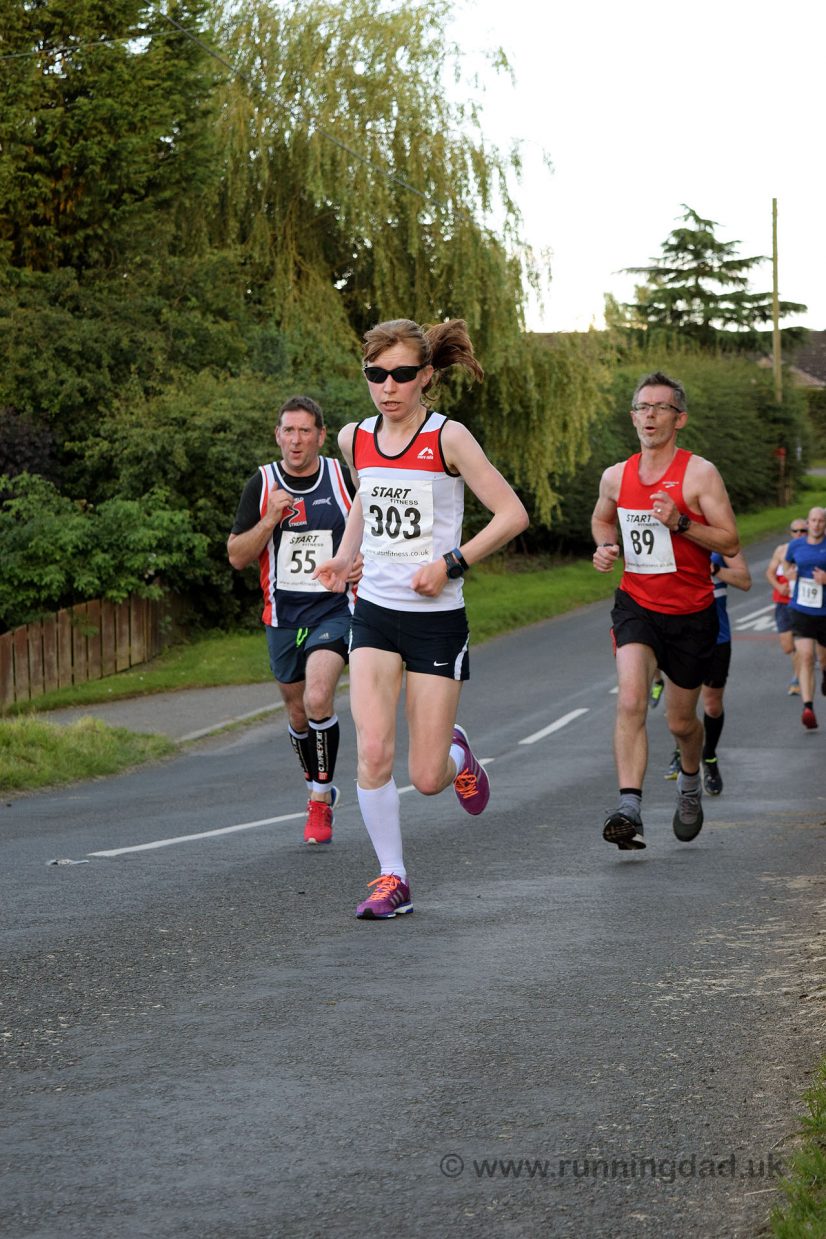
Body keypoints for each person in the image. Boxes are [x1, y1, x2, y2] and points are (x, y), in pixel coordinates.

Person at [314, 317, 528, 918]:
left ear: (426, 376)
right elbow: (366, 501)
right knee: (374, 750)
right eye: (376, 374)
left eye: (403, 374)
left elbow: (512, 515)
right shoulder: (354, 438)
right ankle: (392, 877)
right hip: (375, 615)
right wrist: (344, 556)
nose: (389, 386)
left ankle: (458, 754)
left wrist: (451, 563)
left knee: (428, 777)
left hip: (436, 620)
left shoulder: (449, 438)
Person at [591, 370, 740, 850]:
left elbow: (731, 542)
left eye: (660, 408)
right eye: (641, 407)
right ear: (633, 416)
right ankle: (629, 807)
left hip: (692, 613)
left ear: (680, 418)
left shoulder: (700, 474)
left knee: (681, 722)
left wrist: (680, 523)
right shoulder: (616, 475)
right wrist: (606, 546)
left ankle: (690, 781)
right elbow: (600, 518)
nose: (649, 415)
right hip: (637, 603)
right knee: (631, 699)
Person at [227, 395, 359, 845]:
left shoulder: (341, 477)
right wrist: (269, 521)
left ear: (322, 435)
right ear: (278, 435)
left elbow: (374, 530)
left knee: (320, 696)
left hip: (334, 609)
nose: (296, 440)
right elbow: (237, 557)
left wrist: (360, 563)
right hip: (282, 614)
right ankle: (317, 785)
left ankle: (320, 803)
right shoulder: (261, 484)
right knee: (298, 710)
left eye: (306, 431)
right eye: (289, 430)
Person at [784, 505, 826, 730]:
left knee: (823, 659)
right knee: (807, 657)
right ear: (807, 523)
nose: (816, 524)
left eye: (821, 521)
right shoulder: (795, 545)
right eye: (813, 520)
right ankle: (808, 707)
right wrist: (790, 572)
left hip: (825, 612)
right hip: (801, 609)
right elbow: (787, 563)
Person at [765, 518, 808, 694]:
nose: (798, 534)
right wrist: (779, 586)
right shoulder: (781, 550)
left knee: (801, 643)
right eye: (795, 531)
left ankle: (798, 679)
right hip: (782, 602)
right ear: (790, 532)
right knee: (788, 646)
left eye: (802, 531)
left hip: (801, 603)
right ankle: (805, 661)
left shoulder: (812, 551)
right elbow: (769, 572)